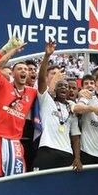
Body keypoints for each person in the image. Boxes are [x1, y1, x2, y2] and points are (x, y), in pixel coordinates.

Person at [0, 37, 39, 177]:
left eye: (26, 69)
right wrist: (9, 50)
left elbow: (48, 86)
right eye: (19, 68)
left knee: (16, 180)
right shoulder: (3, 85)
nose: (23, 71)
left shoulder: (32, 92)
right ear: (13, 74)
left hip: (15, 141)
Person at [33, 41, 83, 171]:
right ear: (54, 88)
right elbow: (42, 80)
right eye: (59, 85)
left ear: (68, 92)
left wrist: (77, 158)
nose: (63, 87)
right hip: (47, 150)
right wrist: (47, 56)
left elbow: (75, 137)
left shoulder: (71, 109)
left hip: (66, 154)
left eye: (66, 86)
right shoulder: (46, 101)